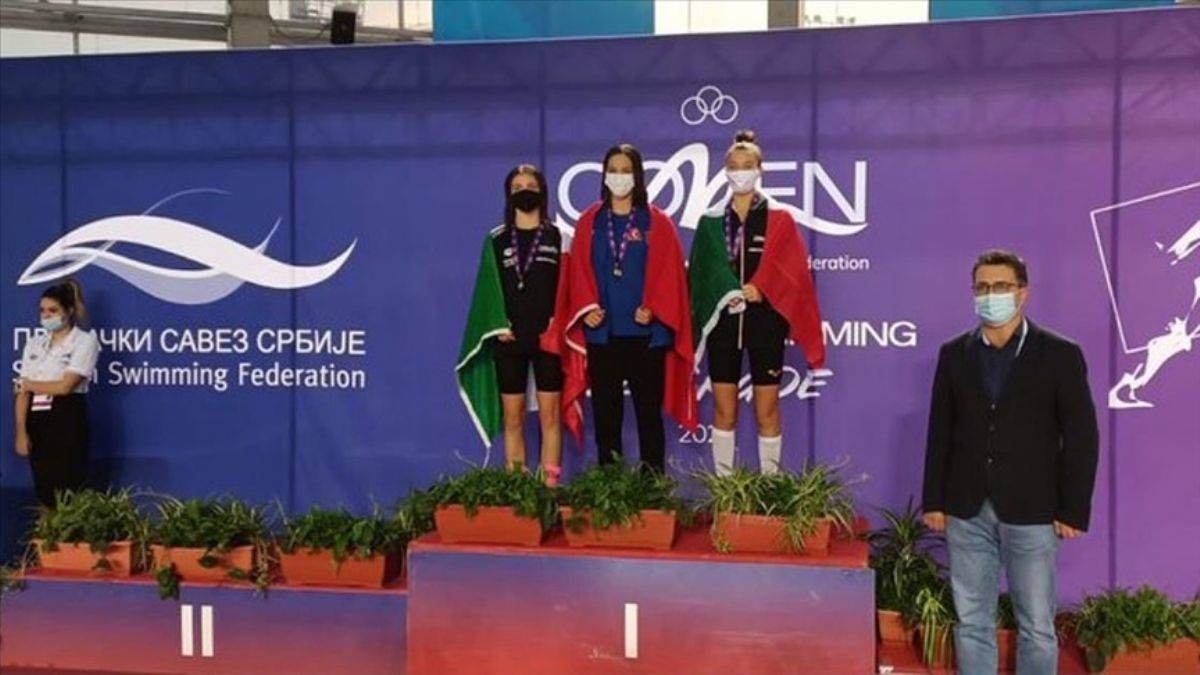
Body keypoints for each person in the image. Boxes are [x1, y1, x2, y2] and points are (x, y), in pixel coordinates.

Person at [921, 250, 1099, 675]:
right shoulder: (954, 354)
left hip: (1033, 509)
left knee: (1036, 624)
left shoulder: (1060, 353)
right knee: (972, 622)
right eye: (982, 288)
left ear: (1023, 293)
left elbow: (1081, 436)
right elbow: (940, 431)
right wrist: (935, 501)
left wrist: (1073, 509)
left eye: (1000, 287)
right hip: (966, 508)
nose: (990, 295)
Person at [542, 143, 697, 472]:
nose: (619, 176)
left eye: (626, 170)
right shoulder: (590, 221)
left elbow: (672, 276)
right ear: (604, 175)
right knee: (606, 419)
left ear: (637, 176)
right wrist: (586, 308)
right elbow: (577, 274)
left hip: (646, 337)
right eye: (613, 170)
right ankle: (611, 488)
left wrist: (654, 308)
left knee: (648, 418)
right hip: (603, 335)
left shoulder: (657, 222)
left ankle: (651, 488)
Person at [689, 129, 825, 475]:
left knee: (767, 410)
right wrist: (725, 290)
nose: (740, 172)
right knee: (724, 411)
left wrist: (762, 288)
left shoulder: (780, 218)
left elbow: (793, 273)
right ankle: (725, 490)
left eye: (747, 165)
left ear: (760, 169)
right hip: (723, 324)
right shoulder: (710, 221)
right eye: (734, 166)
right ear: (725, 171)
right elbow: (700, 276)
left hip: (766, 323)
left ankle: (771, 488)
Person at [456, 165, 563, 484]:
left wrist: (557, 322)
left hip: (547, 340)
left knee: (550, 417)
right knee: (513, 418)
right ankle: (518, 489)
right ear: (508, 194)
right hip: (510, 339)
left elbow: (568, 286)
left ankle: (550, 489)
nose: (524, 191)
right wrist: (496, 324)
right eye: (517, 187)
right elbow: (486, 291)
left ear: (542, 192)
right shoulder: (497, 239)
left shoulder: (558, 236)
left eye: (530, 185)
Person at [14, 279, 101, 508]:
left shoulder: (84, 342)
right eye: (42, 310)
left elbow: (65, 386)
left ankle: (68, 530)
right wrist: (21, 431)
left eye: (52, 311)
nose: (46, 316)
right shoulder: (34, 344)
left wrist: (29, 385)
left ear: (69, 311)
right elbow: (21, 391)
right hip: (36, 418)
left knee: (67, 488)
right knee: (43, 488)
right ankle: (45, 529)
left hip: (66, 417)